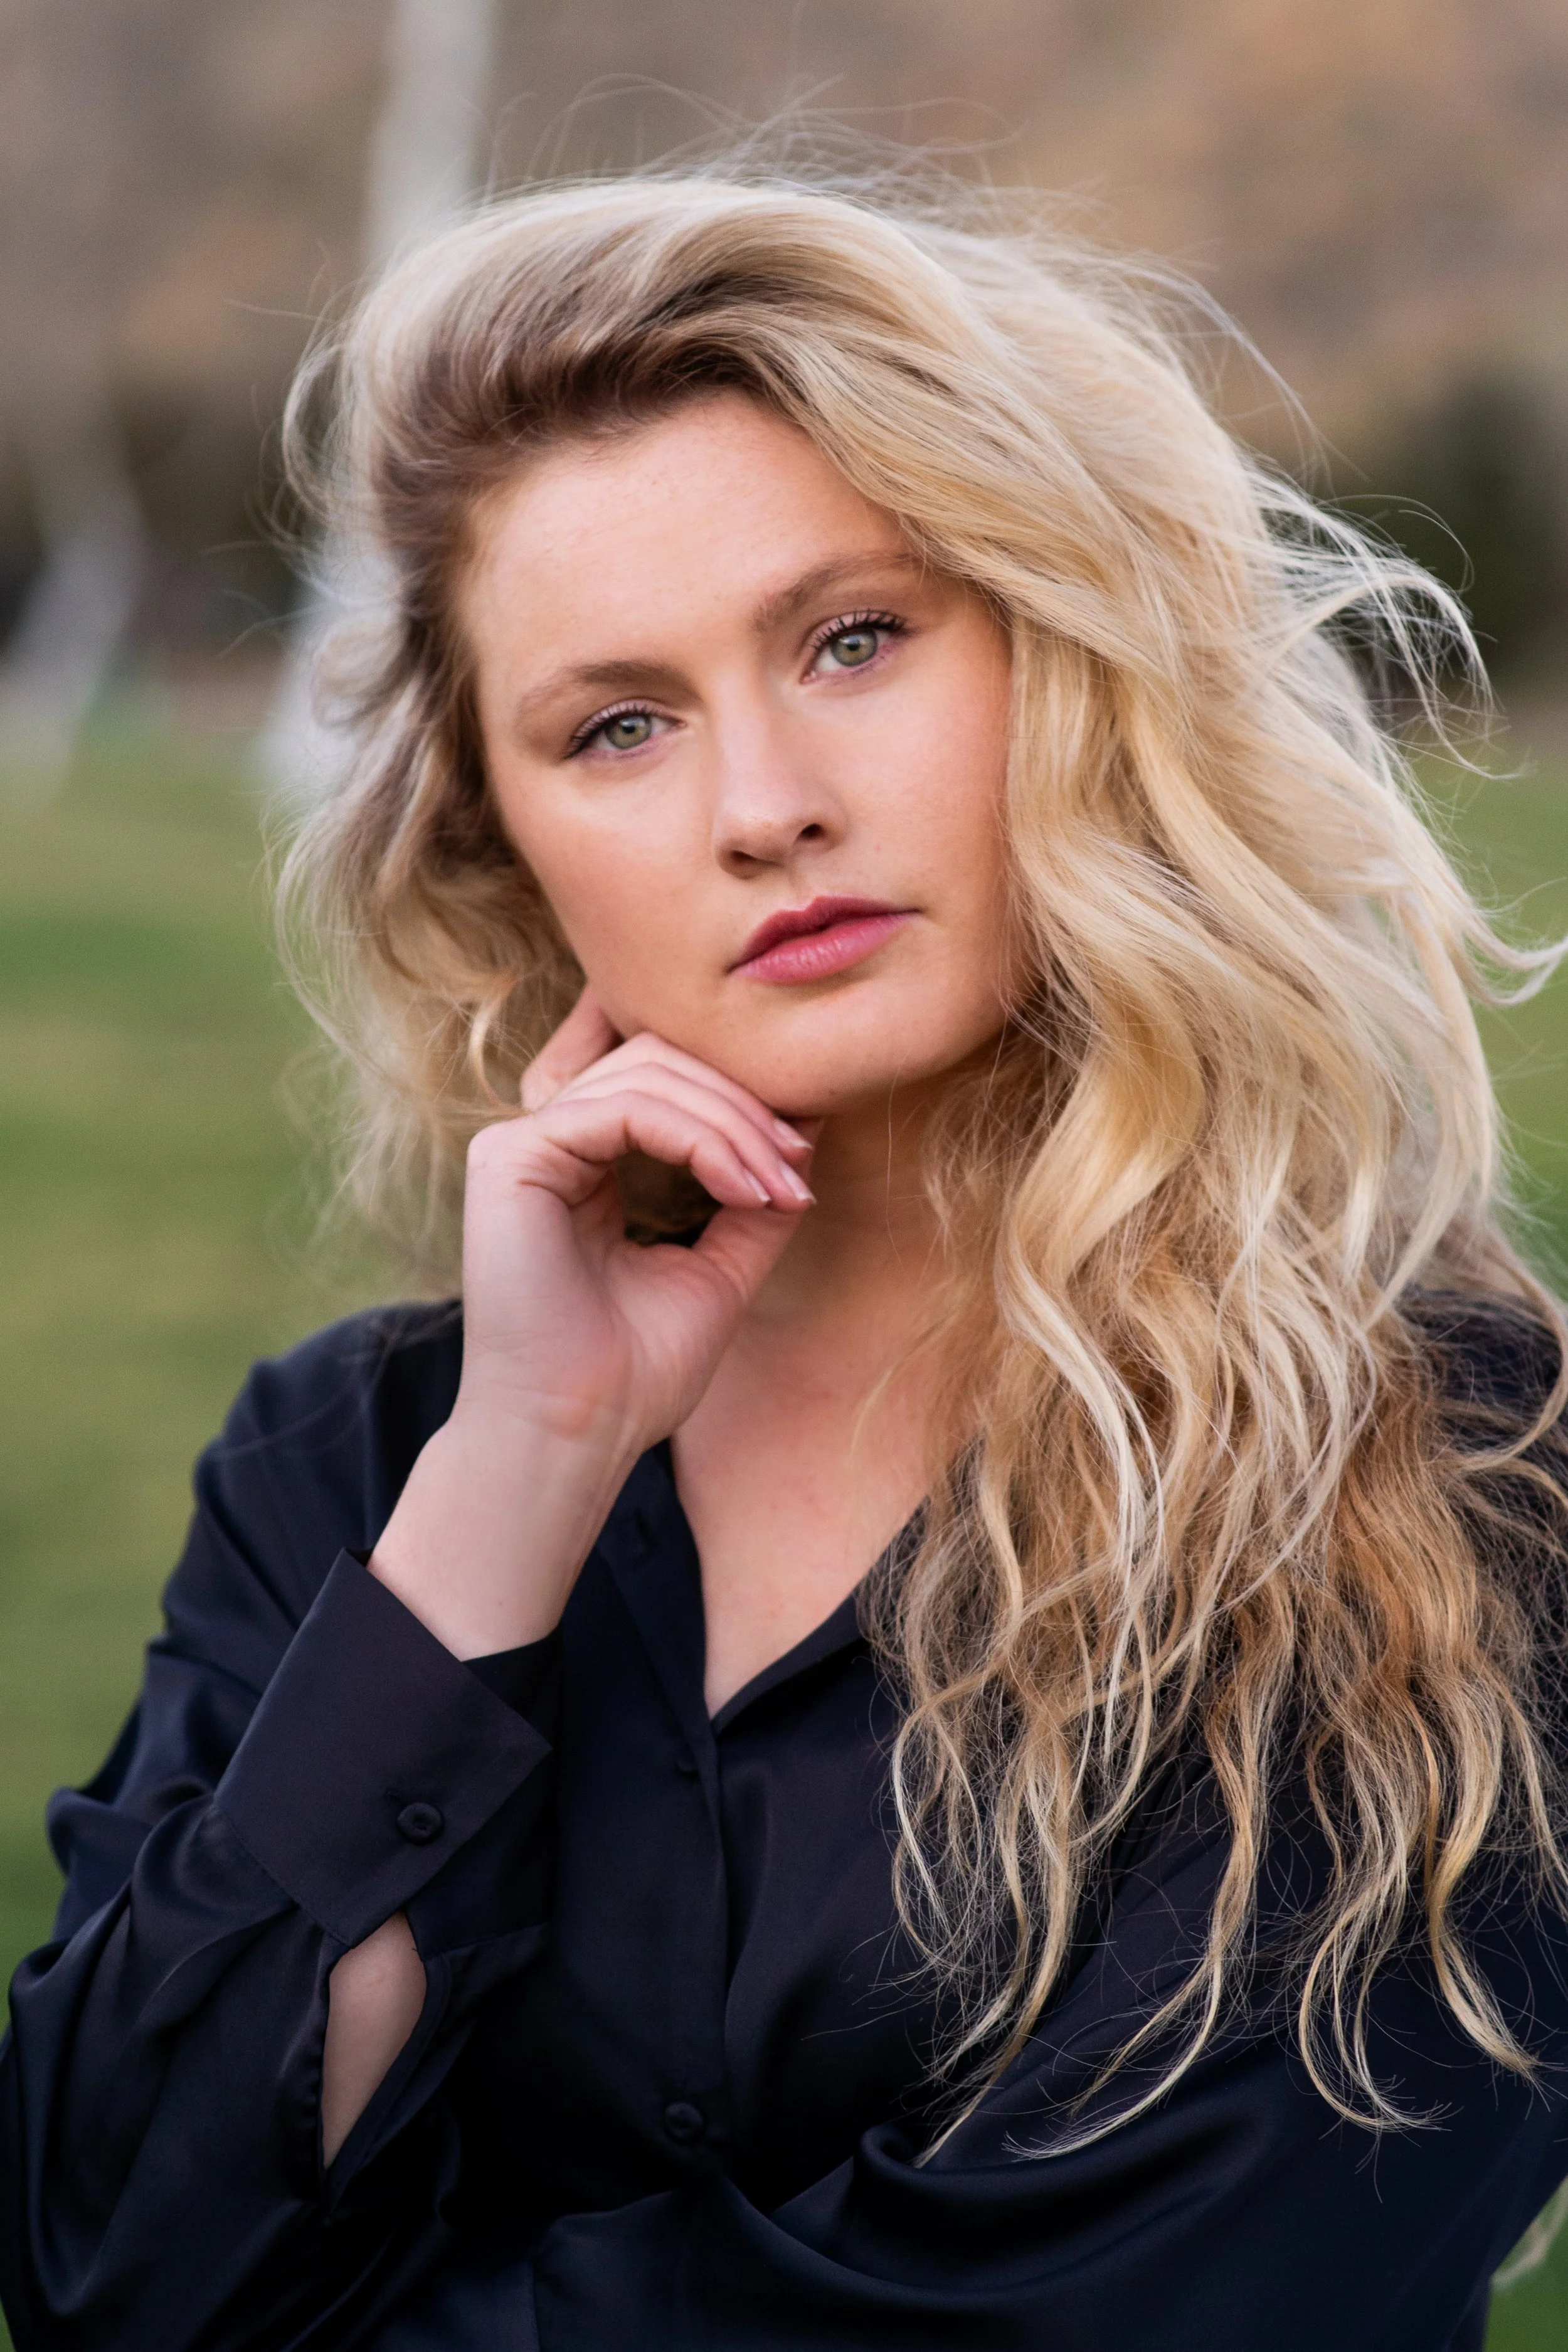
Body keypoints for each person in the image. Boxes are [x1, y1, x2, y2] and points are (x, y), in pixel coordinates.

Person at [4, 162, 1568, 2352]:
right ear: (503, 838)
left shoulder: (1448, 1490)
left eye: (854, 637)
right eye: (614, 724)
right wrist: (525, 1463)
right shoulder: (354, 1467)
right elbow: (111, 2268)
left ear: (1066, 661)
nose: (761, 800)